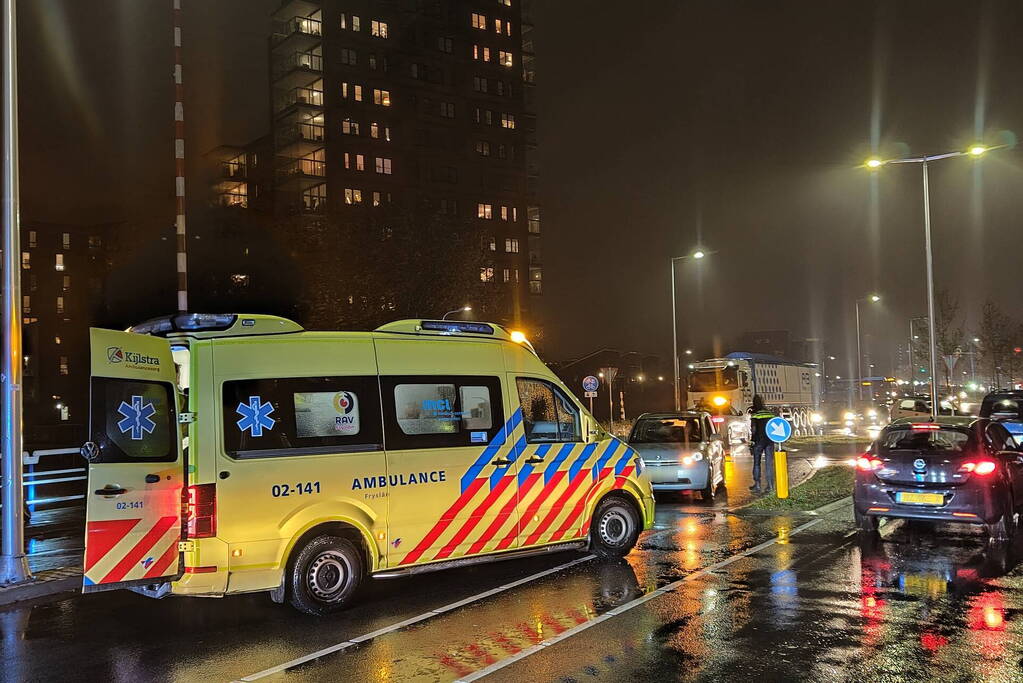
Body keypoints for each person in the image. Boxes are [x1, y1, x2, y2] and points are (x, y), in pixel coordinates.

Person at [748, 395, 776, 493]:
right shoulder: (769, 414)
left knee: (756, 463)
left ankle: (757, 485)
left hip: (759, 441)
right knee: (769, 464)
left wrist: (752, 442)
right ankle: (770, 485)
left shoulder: (755, 415)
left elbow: (754, 430)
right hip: (769, 441)